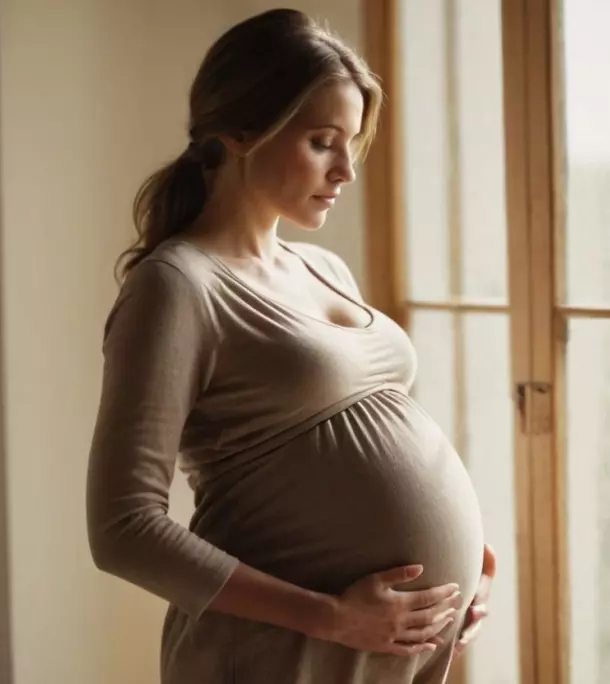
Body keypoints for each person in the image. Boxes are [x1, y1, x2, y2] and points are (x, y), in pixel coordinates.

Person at [86, 8, 495, 683]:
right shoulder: (177, 287)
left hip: (387, 650)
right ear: (241, 130)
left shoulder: (324, 268)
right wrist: (332, 616)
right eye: (322, 141)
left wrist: (466, 554)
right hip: (280, 654)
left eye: (352, 144)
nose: (346, 171)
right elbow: (123, 530)